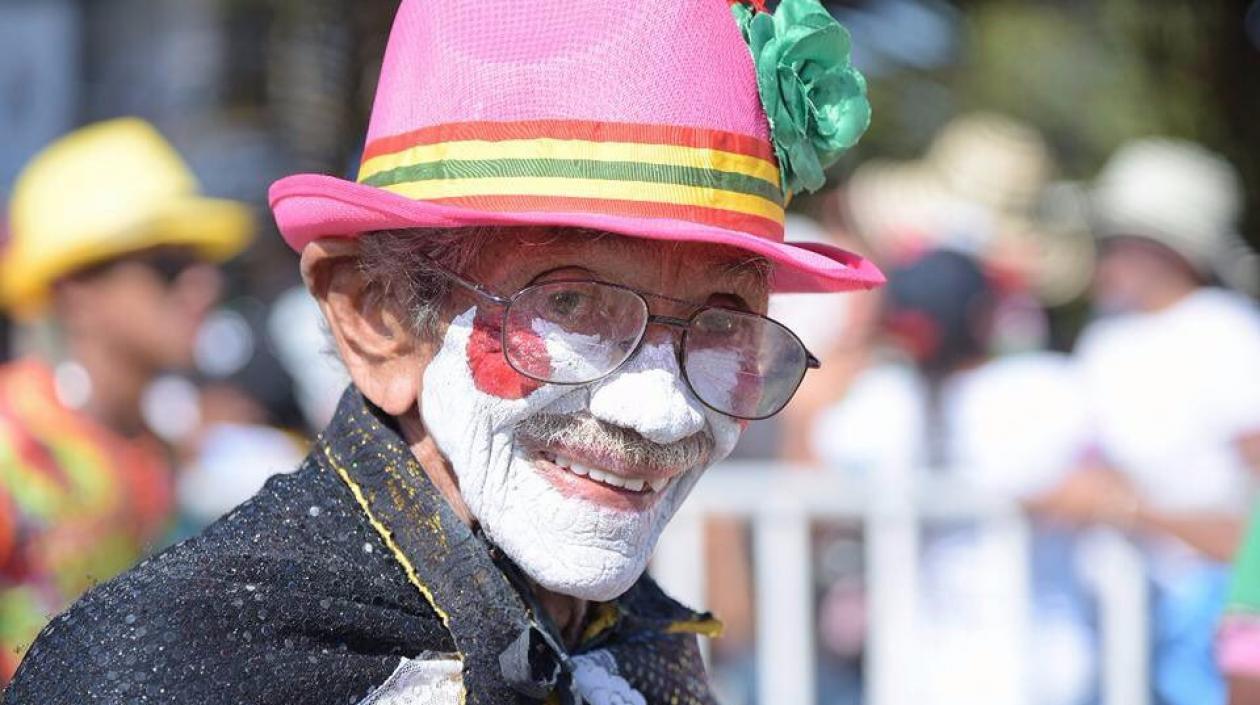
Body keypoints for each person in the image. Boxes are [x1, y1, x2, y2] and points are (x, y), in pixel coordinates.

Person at [4, 1, 880, 703]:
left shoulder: (643, 654)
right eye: (570, 303)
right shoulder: (172, 669)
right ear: (377, 318)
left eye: (724, 321)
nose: (664, 411)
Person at [0, 118, 253, 682]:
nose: (203, 285)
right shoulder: (12, 446)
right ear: (77, 291)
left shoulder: (155, 448)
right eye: (168, 267)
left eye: (201, 262)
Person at [1044, 139, 1260, 705]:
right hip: (1115, 611)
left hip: (1211, 613)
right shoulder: (1105, 337)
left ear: (1174, 251)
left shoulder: (1229, 334)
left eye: (1123, 241)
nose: (1107, 255)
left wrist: (1138, 512)